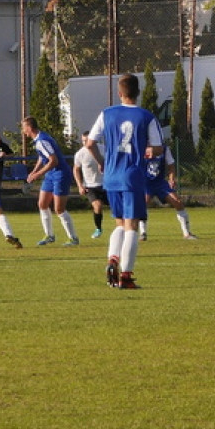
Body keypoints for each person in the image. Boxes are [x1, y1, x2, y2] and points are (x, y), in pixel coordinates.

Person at [88, 73, 163, 289]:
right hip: (132, 176)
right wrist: (148, 150)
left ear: (119, 93)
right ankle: (126, 277)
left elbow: (90, 143)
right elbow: (158, 147)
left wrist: (102, 161)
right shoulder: (146, 116)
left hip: (111, 175)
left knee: (119, 223)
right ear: (137, 92)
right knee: (132, 226)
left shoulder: (107, 113)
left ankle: (113, 260)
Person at [22, 116, 79, 247]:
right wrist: (34, 170)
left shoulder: (42, 140)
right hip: (50, 174)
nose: (23, 131)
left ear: (30, 128)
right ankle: (49, 235)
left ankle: (73, 238)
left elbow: (54, 160)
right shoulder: (39, 139)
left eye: (24, 128)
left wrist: (37, 174)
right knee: (42, 204)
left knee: (59, 209)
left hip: (60, 173)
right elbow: (43, 157)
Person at [138, 142, 197, 241]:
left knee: (177, 202)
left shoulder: (164, 149)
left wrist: (171, 179)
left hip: (160, 183)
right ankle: (143, 233)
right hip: (145, 183)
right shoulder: (139, 147)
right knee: (142, 204)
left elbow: (171, 166)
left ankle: (187, 233)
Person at [72, 131, 106, 239]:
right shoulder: (80, 154)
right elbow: (76, 169)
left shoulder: (104, 149)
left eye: (87, 140)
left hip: (106, 184)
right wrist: (80, 185)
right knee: (97, 206)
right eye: (83, 141)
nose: (85, 143)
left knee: (118, 207)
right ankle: (98, 228)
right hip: (91, 186)